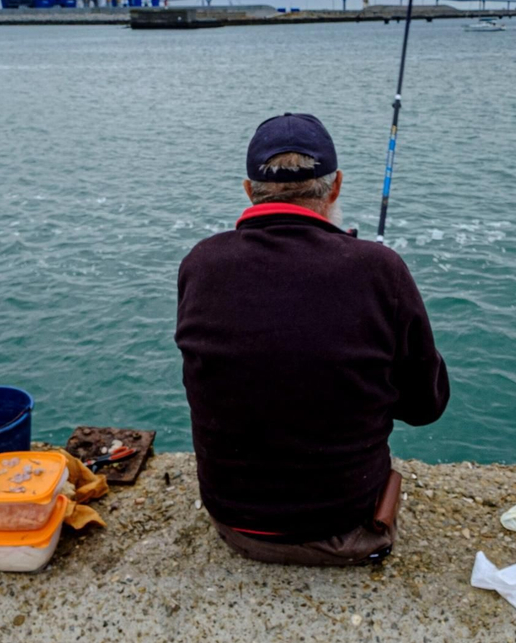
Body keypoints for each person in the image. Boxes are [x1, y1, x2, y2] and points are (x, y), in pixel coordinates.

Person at [175, 112, 450, 566]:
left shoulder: (200, 265)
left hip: (234, 520)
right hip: (345, 520)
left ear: (249, 191)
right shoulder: (380, 270)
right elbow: (426, 407)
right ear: (336, 186)